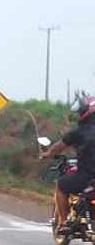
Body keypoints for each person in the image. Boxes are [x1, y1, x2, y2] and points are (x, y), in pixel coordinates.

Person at [41, 94, 95, 233]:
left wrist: (47, 154)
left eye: (79, 112)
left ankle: (64, 222)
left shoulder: (79, 132)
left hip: (87, 176)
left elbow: (58, 147)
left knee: (61, 186)